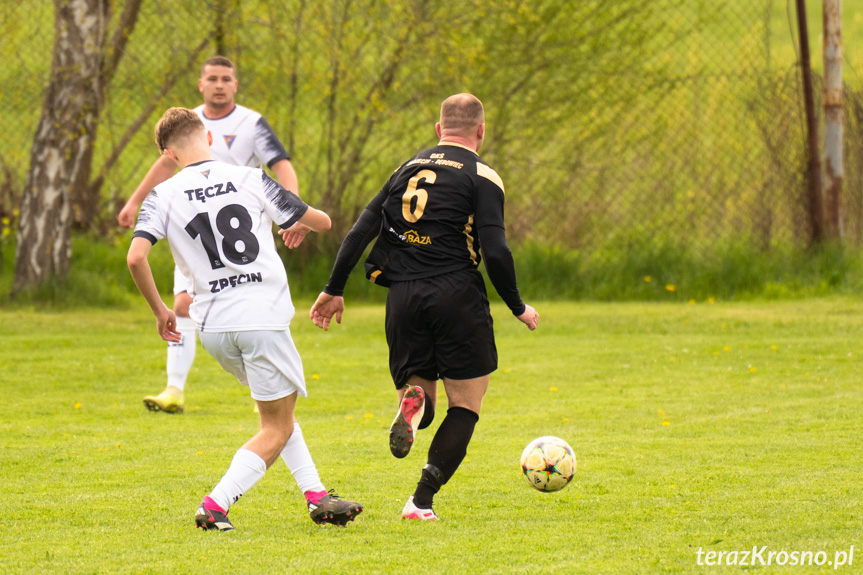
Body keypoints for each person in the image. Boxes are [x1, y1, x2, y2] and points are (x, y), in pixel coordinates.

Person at [127, 107, 362, 530]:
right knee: (275, 426)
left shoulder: (162, 194)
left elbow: (136, 257)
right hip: (261, 318)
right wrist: (303, 224)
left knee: (278, 413)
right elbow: (323, 222)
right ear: (209, 138)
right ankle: (215, 504)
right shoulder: (249, 180)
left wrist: (161, 310)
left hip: (213, 326)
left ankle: (318, 497)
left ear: (168, 153)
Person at [310, 93, 539, 520]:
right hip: (456, 294)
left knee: (424, 400)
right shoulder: (483, 175)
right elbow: (496, 248)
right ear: (481, 131)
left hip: (403, 296)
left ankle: (414, 404)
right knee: (466, 404)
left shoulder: (406, 168)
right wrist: (516, 305)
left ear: (439, 130)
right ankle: (421, 500)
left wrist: (334, 287)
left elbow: (360, 231)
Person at [118, 55, 306, 415]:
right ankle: (174, 388)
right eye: (212, 78)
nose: (219, 84)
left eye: (226, 78)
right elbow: (164, 163)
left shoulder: (252, 123)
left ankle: (264, 387)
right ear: (201, 84)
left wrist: (291, 212)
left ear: (235, 85)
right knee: (182, 304)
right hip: (192, 227)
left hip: (241, 233)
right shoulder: (186, 121)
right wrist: (135, 201)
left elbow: (281, 166)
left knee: (243, 301)